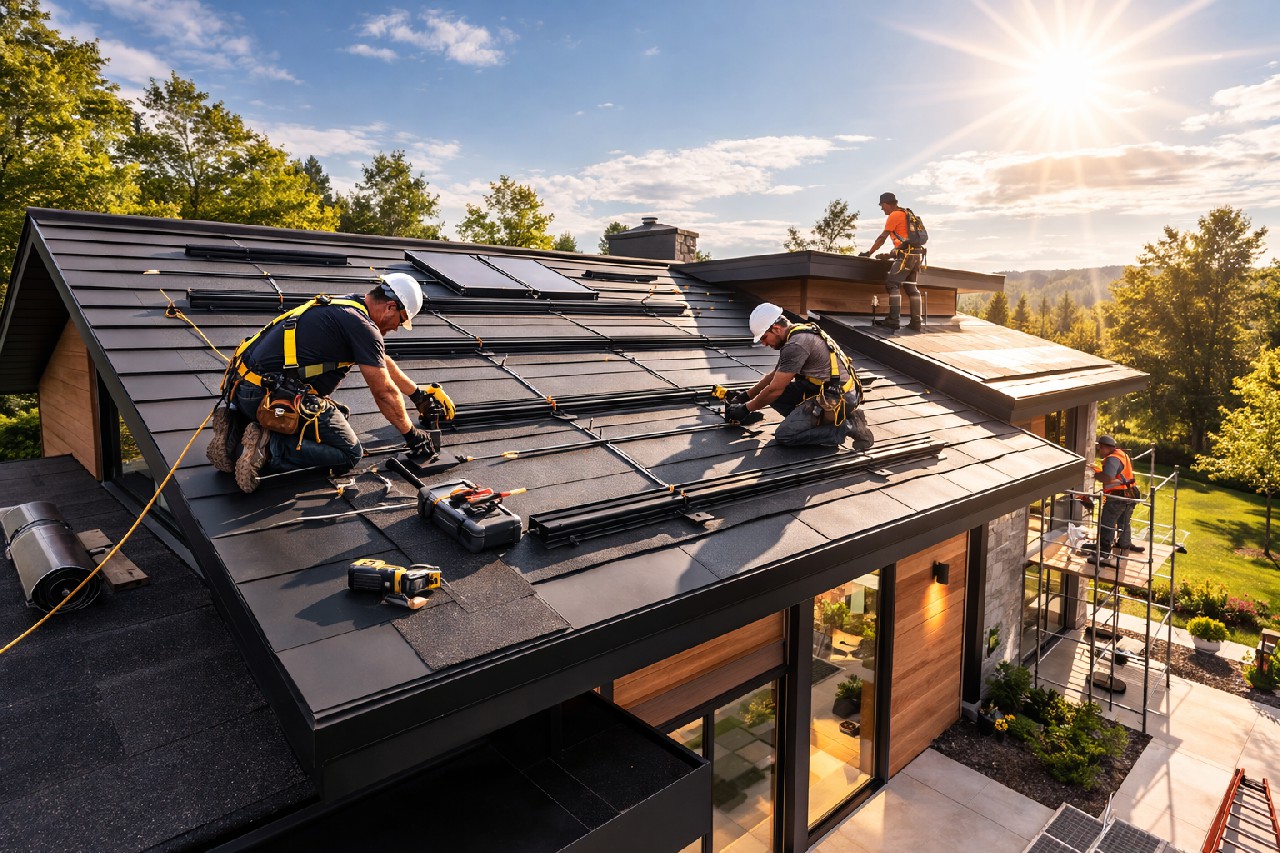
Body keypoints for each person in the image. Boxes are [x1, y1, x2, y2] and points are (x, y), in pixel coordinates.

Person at [206, 273, 454, 493]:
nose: (397, 328)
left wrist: (417, 394)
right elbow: (384, 392)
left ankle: (234, 431)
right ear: (390, 306)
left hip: (241, 388)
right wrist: (411, 435)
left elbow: (380, 360)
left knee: (339, 415)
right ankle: (270, 447)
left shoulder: (348, 306)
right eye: (400, 320)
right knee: (348, 453)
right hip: (267, 397)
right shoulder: (364, 327)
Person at [725, 303, 874, 449]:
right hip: (824, 388)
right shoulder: (797, 333)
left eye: (764, 337)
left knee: (785, 435)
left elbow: (774, 389)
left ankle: (846, 427)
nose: (764, 343)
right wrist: (747, 395)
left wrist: (745, 409)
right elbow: (775, 376)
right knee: (774, 397)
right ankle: (813, 422)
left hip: (838, 396)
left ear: (776, 329)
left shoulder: (796, 345)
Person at [859, 192, 922, 331]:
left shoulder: (894, 215)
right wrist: (889, 255)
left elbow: (882, 237)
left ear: (887, 204)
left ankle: (893, 320)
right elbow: (905, 240)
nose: (882, 209)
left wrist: (869, 252)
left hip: (906, 256)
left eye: (882, 206)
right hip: (917, 256)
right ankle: (916, 322)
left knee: (892, 284)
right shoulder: (907, 214)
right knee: (912, 288)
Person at [1088, 435, 1144, 566]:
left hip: (1119, 497)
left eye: (1099, 449)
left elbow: (1107, 478)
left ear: (1104, 447)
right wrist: (1098, 469)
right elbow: (1115, 475)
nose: (1099, 452)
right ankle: (1124, 543)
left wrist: (1093, 474)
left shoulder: (1112, 459)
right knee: (1124, 521)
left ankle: (1103, 554)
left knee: (1107, 523)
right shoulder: (1120, 454)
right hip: (1130, 494)